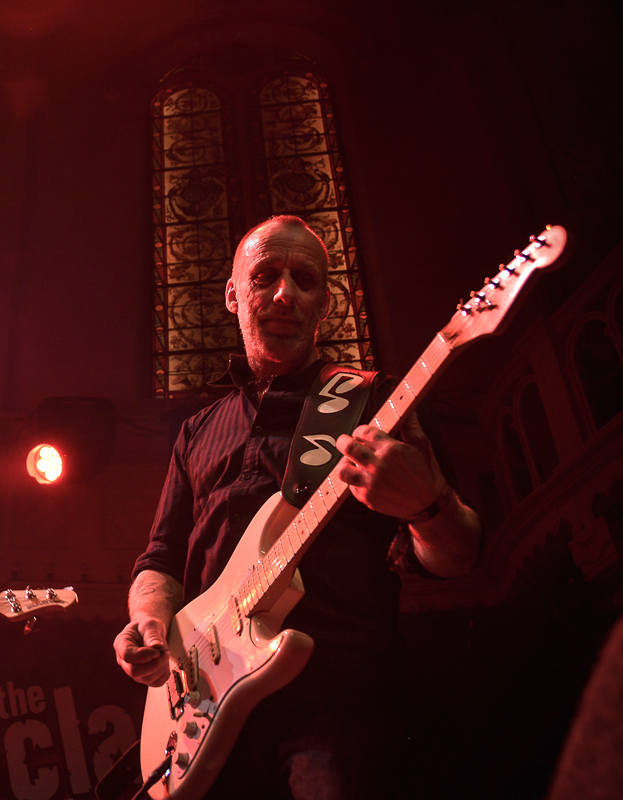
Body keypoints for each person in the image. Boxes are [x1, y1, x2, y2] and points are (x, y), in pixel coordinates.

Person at [114, 216, 482, 799]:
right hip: (203, 709)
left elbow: (458, 556)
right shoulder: (195, 433)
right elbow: (159, 559)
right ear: (234, 292)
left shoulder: (375, 403)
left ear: (324, 303)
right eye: (266, 275)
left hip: (338, 709)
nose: (286, 292)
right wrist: (149, 622)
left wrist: (429, 508)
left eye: (305, 280)